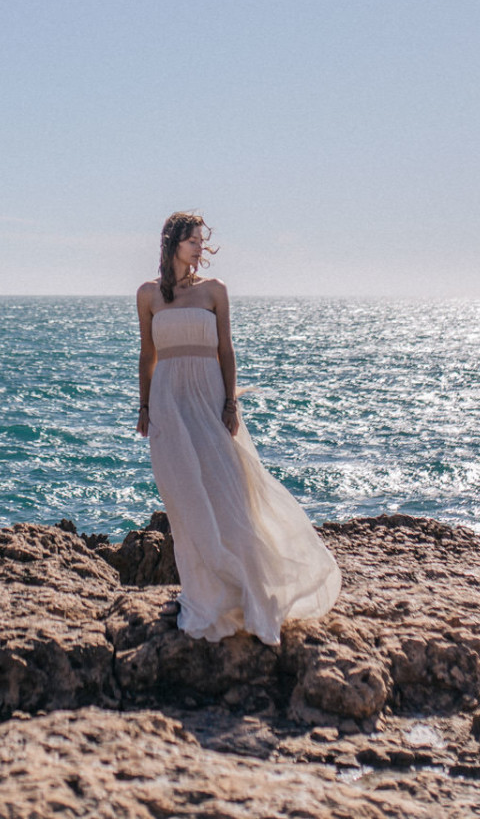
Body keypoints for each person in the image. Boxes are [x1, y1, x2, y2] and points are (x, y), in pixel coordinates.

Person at [135, 211, 341, 645]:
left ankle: (249, 585)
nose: (198, 248)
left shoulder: (215, 291)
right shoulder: (148, 295)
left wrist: (230, 403)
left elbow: (226, 350)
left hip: (209, 400)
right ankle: (201, 591)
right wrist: (144, 407)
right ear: (172, 243)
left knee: (229, 491)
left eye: (200, 242)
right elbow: (147, 356)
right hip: (169, 404)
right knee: (184, 498)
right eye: (191, 241)